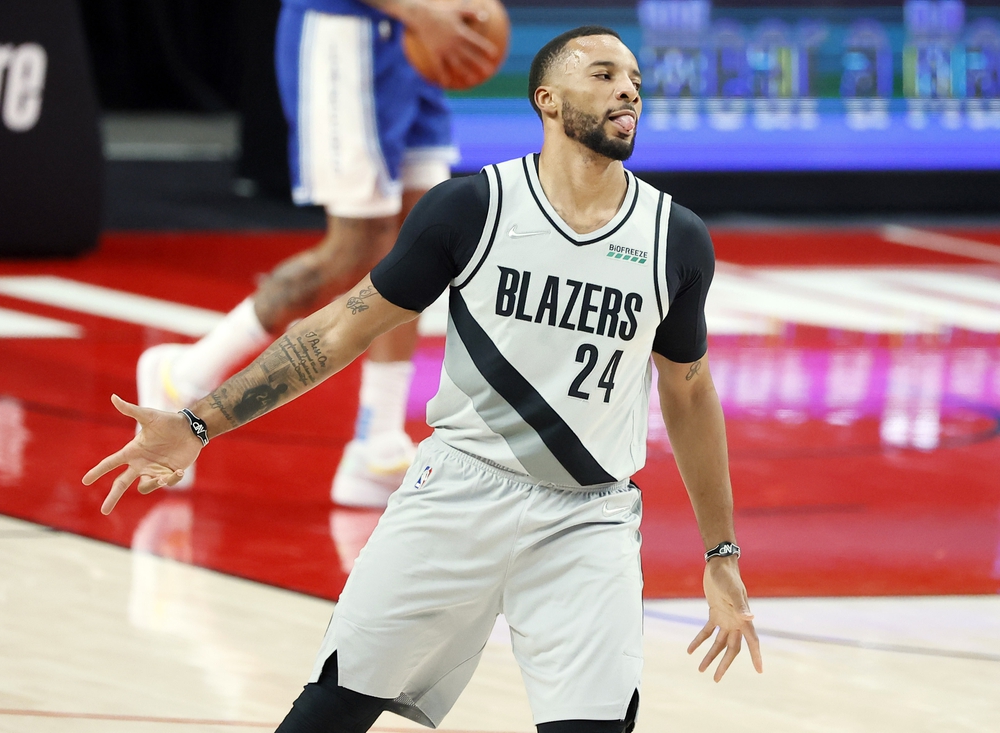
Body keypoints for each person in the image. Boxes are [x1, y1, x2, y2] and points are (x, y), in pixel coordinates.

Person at [86, 26, 762, 733]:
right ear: (549, 102)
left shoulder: (674, 238)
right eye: (602, 75)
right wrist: (199, 422)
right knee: (327, 714)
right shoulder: (473, 209)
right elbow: (339, 330)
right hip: (458, 493)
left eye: (634, 80)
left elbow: (688, 391)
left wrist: (721, 553)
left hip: (588, 519)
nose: (628, 89)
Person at [135, 0, 500, 506]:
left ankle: (378, 442)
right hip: (347, 32)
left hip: (414, 39)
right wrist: (420, 11)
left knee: (424, 238)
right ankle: (187, 373)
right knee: (355, 250)